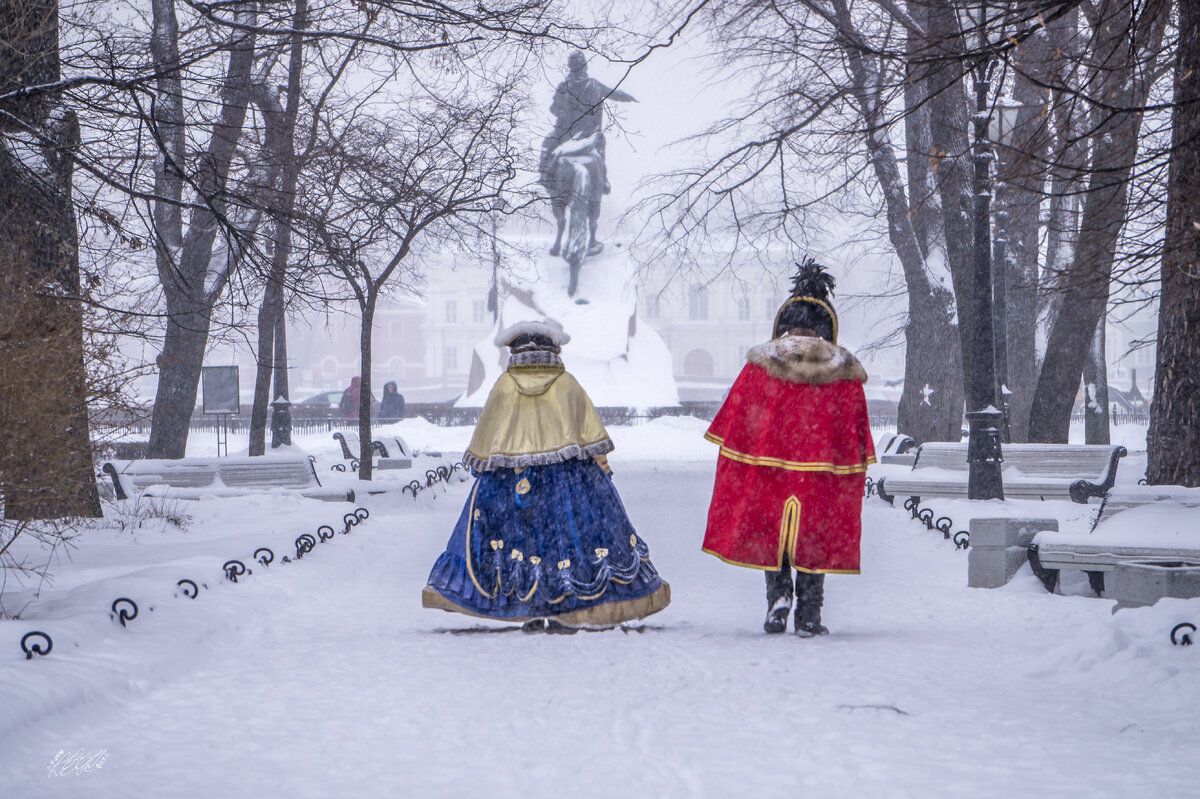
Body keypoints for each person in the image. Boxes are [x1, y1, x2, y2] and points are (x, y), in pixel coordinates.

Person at [423, 319, 671, 630]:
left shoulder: (504, 386)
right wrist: (601, 468)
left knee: (522, 547)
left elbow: (484, 443)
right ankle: (569, 607)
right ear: (553, 350)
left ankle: (529, 606)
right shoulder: (567, 384)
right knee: (567, 544)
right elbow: (593, 436)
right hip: (569, 482)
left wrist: (485, 469)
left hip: (512, 483)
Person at [701, 259, 875, 637]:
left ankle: (778, 599)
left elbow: (736, 421)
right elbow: (855, 431)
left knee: (773, 534)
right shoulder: (844, 370)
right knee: (815, 537)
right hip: (822, 476)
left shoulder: (763, 363)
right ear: (827, 327)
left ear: (782, 324)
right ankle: (810, 615)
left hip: (770, 472)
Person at [539, 50, 636, 199]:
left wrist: (565, 114)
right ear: (584, 66)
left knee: (548, 143)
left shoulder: (564, 86)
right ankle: (603, 180)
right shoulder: (593, 84)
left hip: (566, 131)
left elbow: (553, 109)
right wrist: (628, 97)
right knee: (600, 148)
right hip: (588, 131)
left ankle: (545, 174)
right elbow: (614, 94)